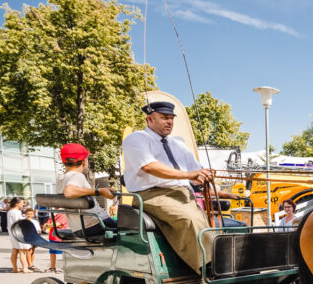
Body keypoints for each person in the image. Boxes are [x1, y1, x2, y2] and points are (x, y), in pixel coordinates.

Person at [121, 101, 216, 274]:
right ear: (149, 119)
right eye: (164, 118)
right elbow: (149, 167)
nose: (169, 122)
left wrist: (204, 175)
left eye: (171, 118)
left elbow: (195, 173)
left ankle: (220, 260)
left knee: (212, 222)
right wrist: (190, 175)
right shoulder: (137, 139)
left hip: (182, 194)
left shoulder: (177, 143)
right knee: (189, 219)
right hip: (151, 194)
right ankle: (208, 268)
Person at [56, 143, 117, 232]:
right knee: (132, 230)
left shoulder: (61, 180)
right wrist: (100, 191)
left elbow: (58, 205)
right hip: (97, 223)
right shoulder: (77, 176)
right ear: (84, 161)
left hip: (78, 229)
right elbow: (69, 191)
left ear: (63, 161)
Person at [6, 197, 31, 273]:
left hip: (12, 232)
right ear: (17, 203)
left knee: (15, 250)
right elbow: (19, 222)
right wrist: (27, 219)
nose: (23, 205)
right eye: (22, 203)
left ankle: (15, 268)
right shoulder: (16, 212)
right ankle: (25, 268)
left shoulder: (10, 211)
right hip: (18, 233)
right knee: (22, 251)